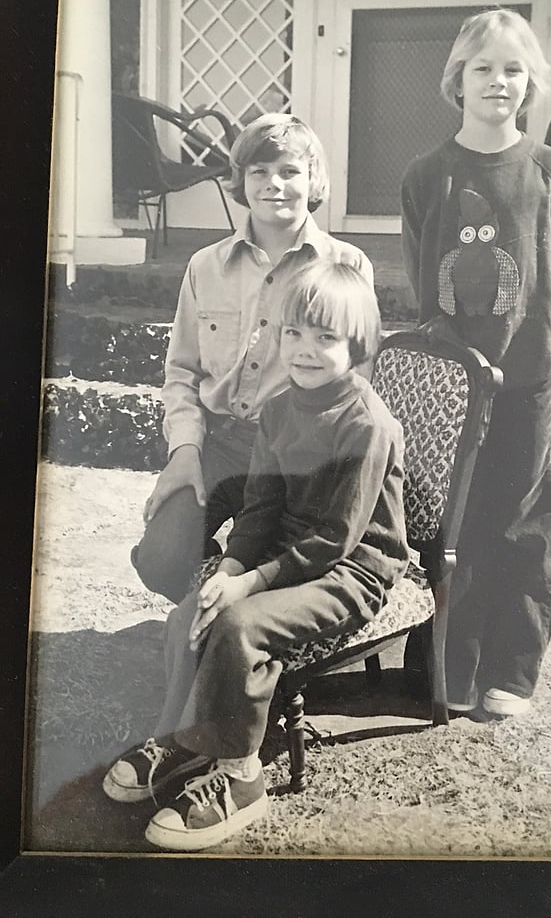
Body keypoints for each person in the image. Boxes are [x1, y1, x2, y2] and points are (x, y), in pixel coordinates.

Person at [103, 261, 410, 851]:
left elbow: (334, 539)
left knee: (241, 626)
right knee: (195, 608)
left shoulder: (367, 425)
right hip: (288, 547)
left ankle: (241, 774)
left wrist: (249, 589)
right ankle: (179, 738)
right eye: (294, 333)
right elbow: (261, 507)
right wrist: (231, 568)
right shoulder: (278, 408)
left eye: (326, 338)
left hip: (349, 569)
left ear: (360, 345)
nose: (304, 350)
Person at [400, 8, 551, 718]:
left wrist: (532, 353)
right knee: (457, 523)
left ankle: (513, 669)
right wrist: (458, 359)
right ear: (458, 80)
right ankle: (454, 665)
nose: (499, 81)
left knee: (524, 525)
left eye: (513, 69)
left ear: (530, 80)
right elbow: (423, 285)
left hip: (527, 378)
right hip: (453, 381)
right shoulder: (426, 174)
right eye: (484, 68)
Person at [132, 114, 373, 604]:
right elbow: (182, 372)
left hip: (297, 453)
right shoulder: (206, 265)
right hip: (220, 443)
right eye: (259, 172)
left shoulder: (347, 267)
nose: (274, 185)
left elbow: (357, 379)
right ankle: (203, 601)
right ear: (241, 180)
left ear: (313, 179)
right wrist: (184, 452)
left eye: (289, 171)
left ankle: (237, 627)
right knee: (161, 557)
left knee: (271, 569)